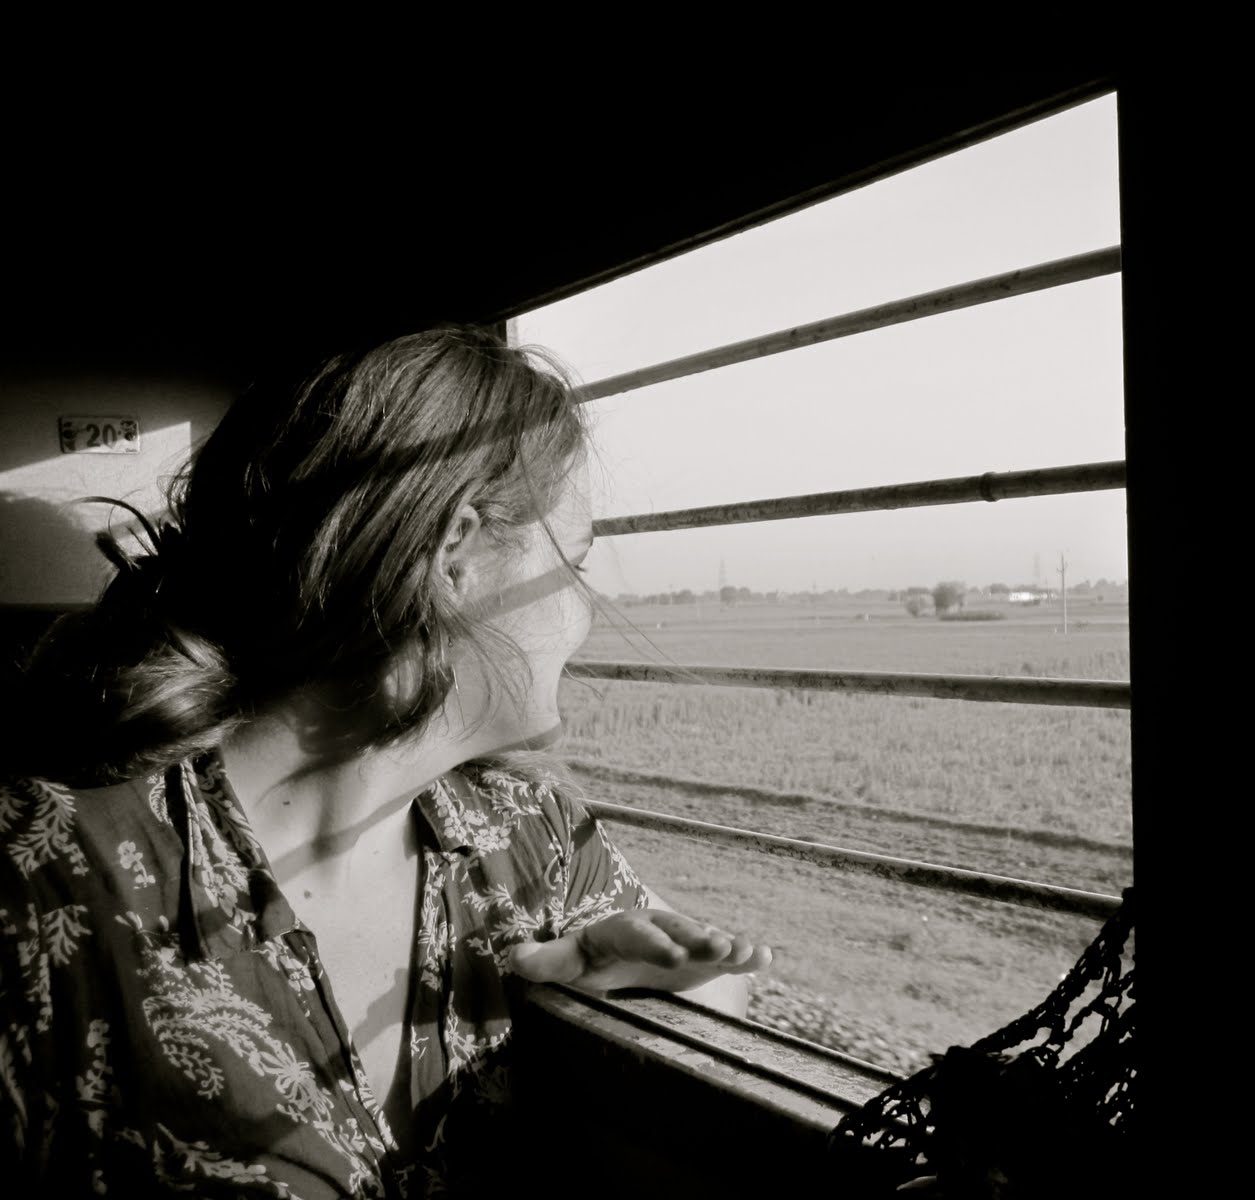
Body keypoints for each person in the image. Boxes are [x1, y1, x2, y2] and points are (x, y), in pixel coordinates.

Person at [0, 325, 771, 1196]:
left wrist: (600, 989)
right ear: (456, 557)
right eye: (576, 563)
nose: (587, 612)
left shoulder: (528, 836)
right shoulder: (45, 879)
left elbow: (726, 995)